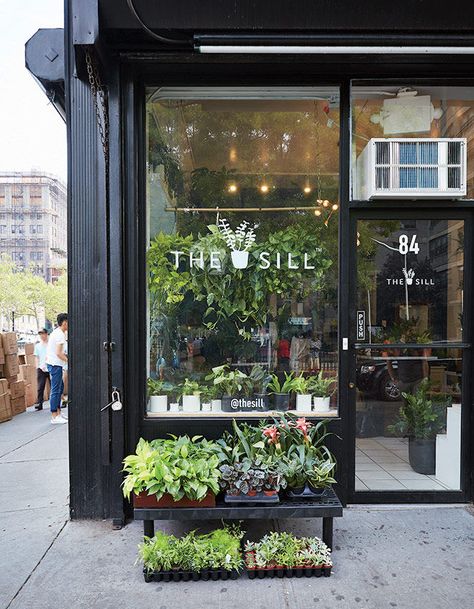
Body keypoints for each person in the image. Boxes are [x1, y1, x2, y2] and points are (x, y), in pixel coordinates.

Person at [46, 313, 68, 425]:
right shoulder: (60, 334)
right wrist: (69, 361)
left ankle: (58, 413)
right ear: (64, 323)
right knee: (55, 390)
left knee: (59, 389)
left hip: (55, 364)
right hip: (55, 365)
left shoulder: (57, 332)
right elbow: (59, 353)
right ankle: (54, 416)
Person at [33, 328, 49, 411]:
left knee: (55, 385)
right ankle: (39, 403)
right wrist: (37, 367)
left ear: (46, 334)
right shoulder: (37, 346)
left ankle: (60, 401)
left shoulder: (50, 344)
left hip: (50, 366)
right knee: (40, 386)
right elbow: (36, 357)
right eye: (40, 334)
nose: (42, 336)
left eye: (43, 334)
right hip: (41, 368)